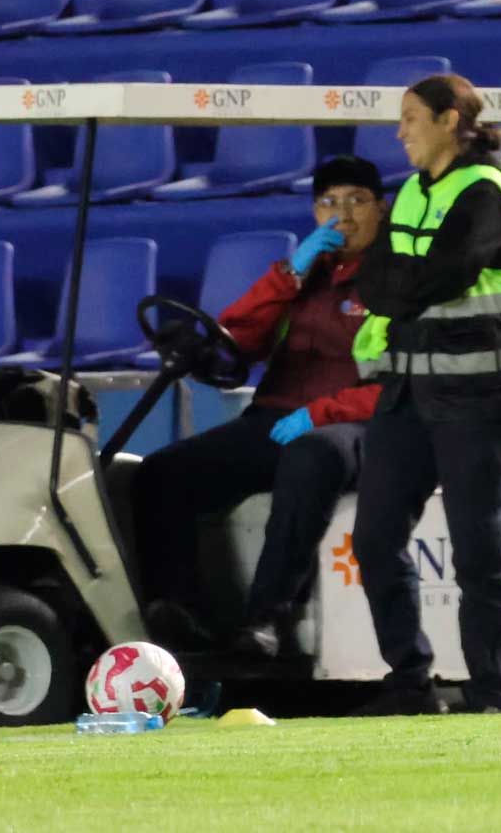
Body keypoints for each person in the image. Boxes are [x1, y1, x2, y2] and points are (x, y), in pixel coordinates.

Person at [350, 74, 501, 717]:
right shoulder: (411, 190)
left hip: (480, 395)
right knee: (376, 536)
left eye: (410, 117)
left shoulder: (486, 188)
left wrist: (399, 286)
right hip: (412, 388)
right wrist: (400, 286)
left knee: (478, 553)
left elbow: (435, 278)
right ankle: (411, 681)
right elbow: (378, 282)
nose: (400, 130)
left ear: (448, 121)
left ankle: (491, 697)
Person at [132, 156, 386, 658]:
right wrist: (289, 273)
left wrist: (319, 415)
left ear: (382, 208)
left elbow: (398, 382)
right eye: (329, 204)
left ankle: (268, 618)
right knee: (161, 473)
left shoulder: (398, 278)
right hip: (277, 416)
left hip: (356, 423)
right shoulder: (303, 277)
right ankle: (183, 614)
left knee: (309, 457)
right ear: (314, 213)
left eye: (357, 201)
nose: (344, 216)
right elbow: (236, 337)